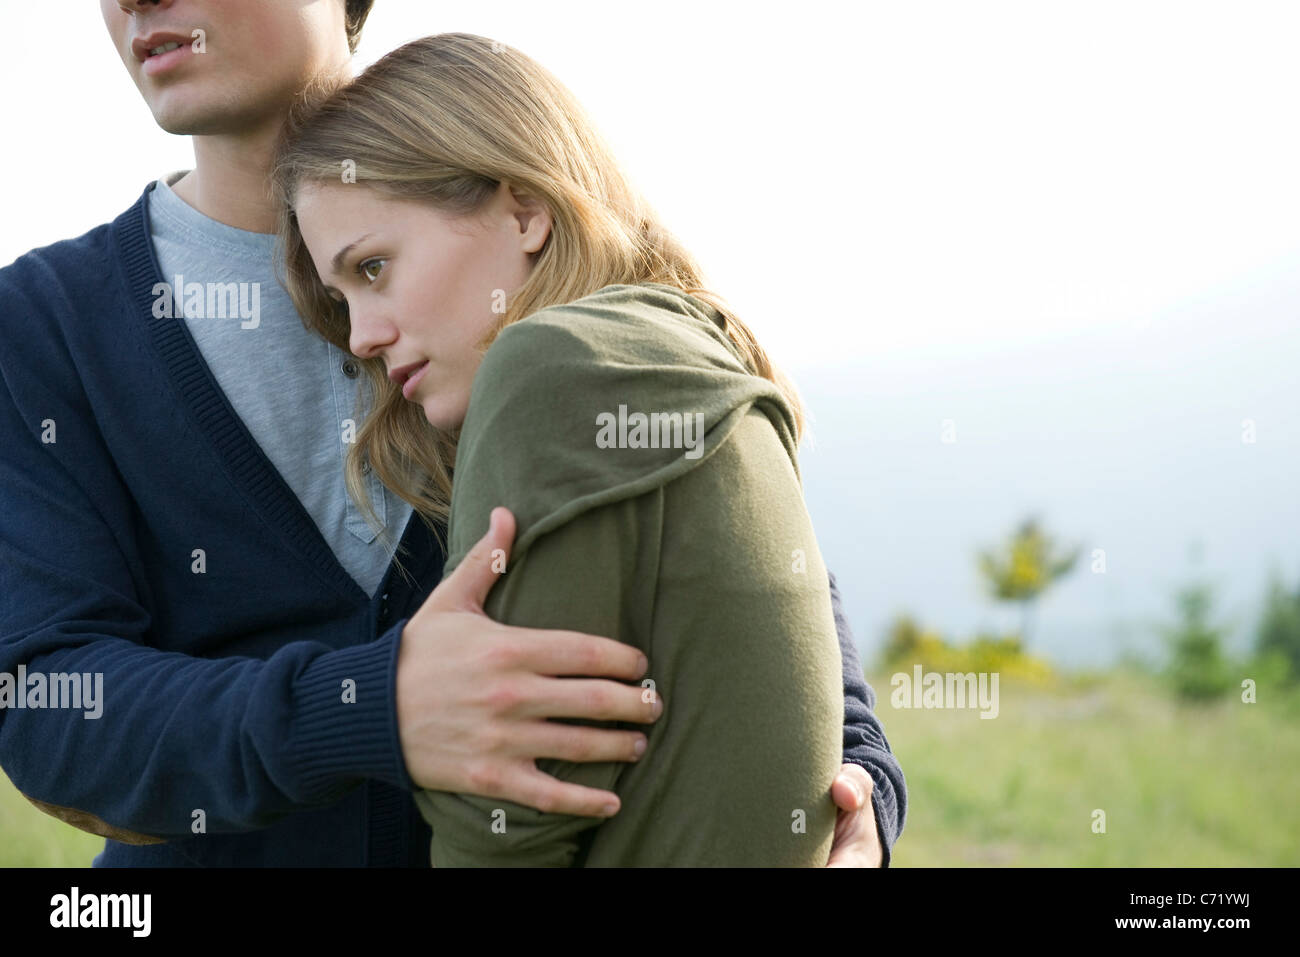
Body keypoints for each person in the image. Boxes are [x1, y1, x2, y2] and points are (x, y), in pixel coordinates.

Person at [0, 0, 905, 867]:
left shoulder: (550, 289)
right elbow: (47, 707)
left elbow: (757, 582)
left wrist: (856, 799)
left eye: (375, 269)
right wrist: (368, 706)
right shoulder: (43, 324)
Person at [275, 32, 889, 866]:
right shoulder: (691, 349)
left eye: (375, 267)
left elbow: (507, 825)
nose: (364, 335)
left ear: (525, 209)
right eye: (340, 298)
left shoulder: (550, 367)